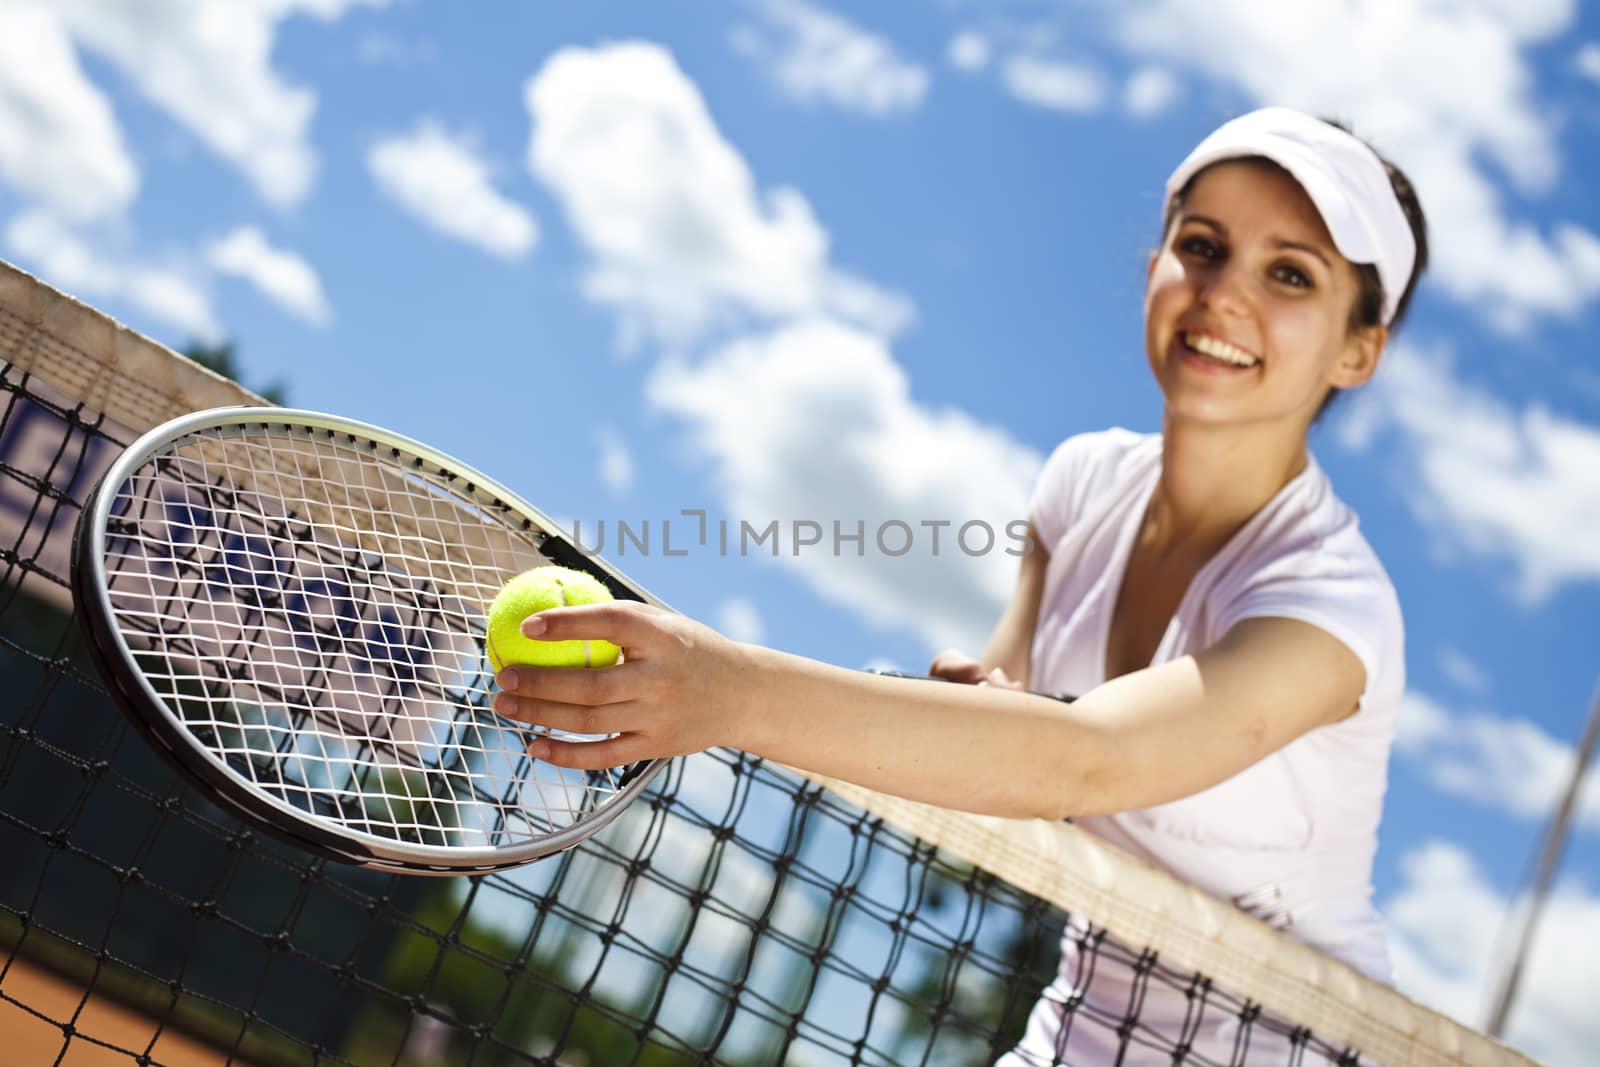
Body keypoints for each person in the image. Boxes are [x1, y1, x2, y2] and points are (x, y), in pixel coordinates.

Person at [491, 107, 1429, 1064]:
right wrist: (980, 709)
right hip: (1083, 1029)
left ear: (1360, 350)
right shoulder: (1082, 485)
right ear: (1154, 270)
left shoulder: (1331, 601)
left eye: (1291, 274)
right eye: (1203, 245)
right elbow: (1016, 735)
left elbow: (1087, 759)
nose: (1225, 294)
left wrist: (721, 689)